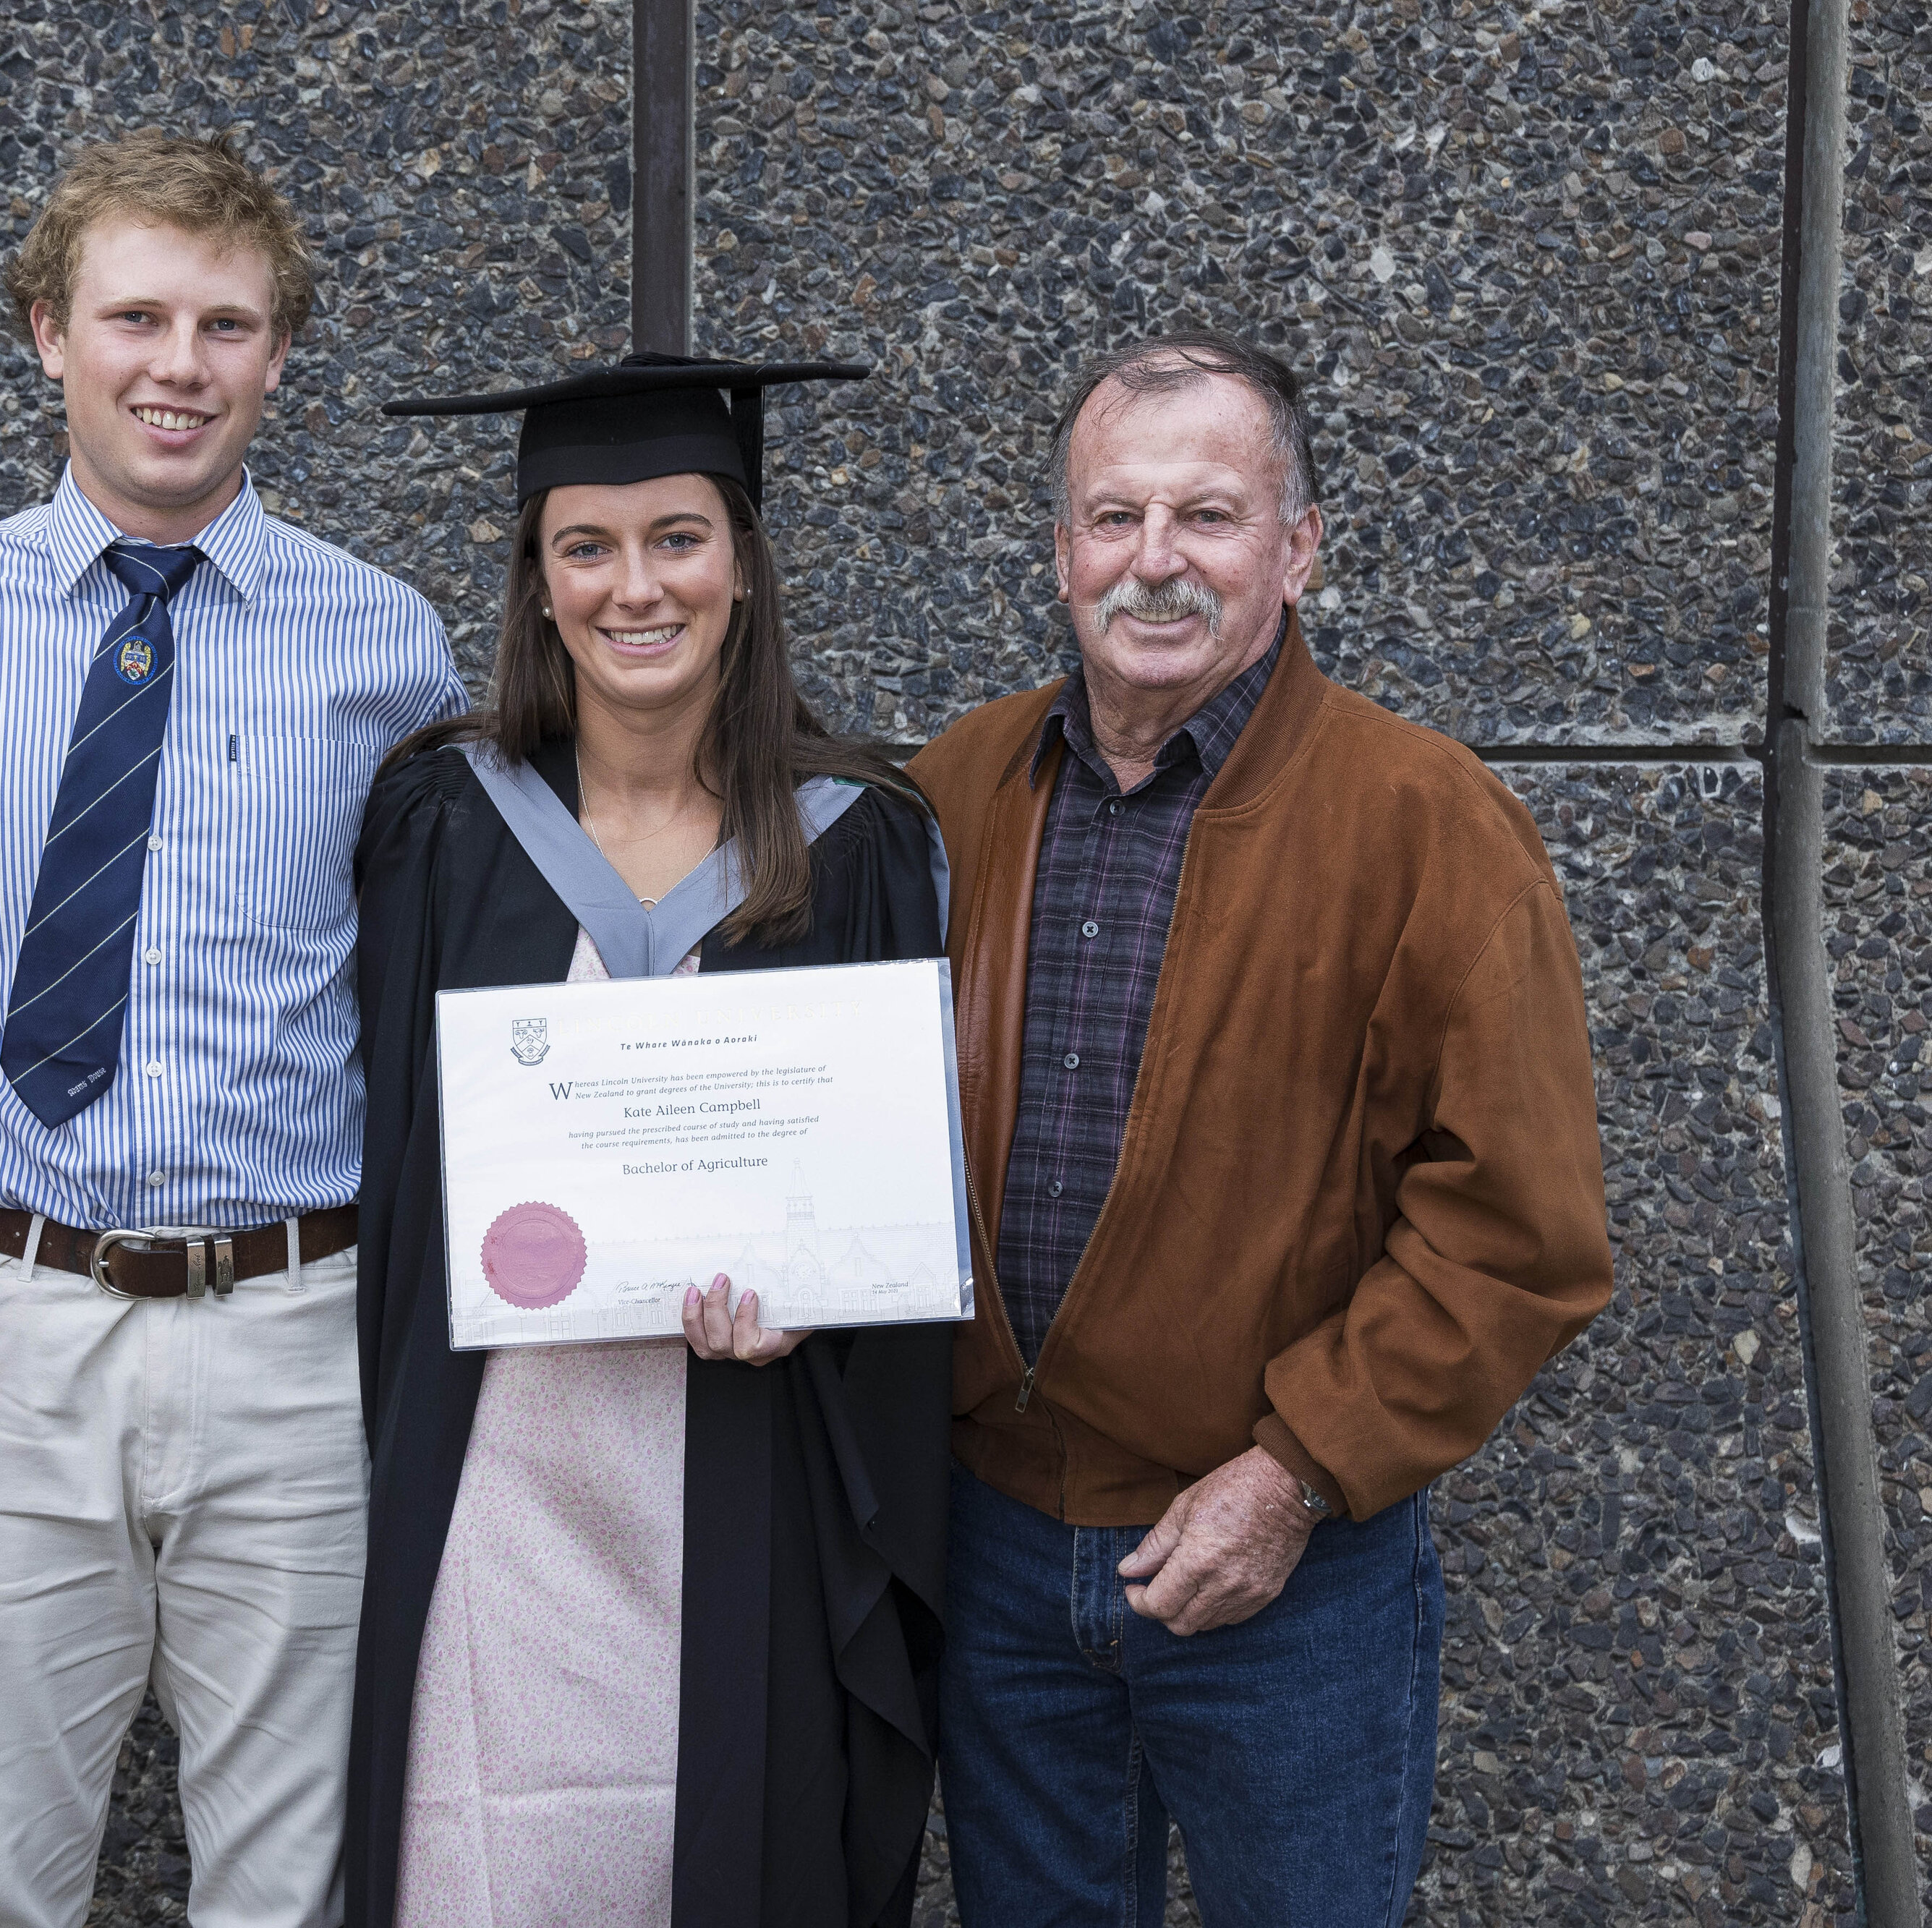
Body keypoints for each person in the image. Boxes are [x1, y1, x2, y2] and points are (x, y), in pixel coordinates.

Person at [0, 131, 462, 1928]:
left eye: (226, 325)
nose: (178, 364)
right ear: (48, 333)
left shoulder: (383, 644)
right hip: (5, 1321)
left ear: (273, 357)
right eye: (136, 316)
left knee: (295, 1888)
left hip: (297, 1330)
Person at [907, 328, 1614, 1926]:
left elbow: (1518, 1230)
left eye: (1207, 516)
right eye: (1111, 517)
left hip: (1285, 1569)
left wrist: (1293, 1472)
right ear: (1058, 550)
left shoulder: (1422, 819)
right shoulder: (956, 789)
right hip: (999, 1549)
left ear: (1295, 549)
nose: (1152, 562)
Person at [346, 354, 952, 1928]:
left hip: (742, 1470)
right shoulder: (442, 825)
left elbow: (894, 1198)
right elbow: (400, 1192)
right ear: (537, 584)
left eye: (677, 537)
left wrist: (827, 1291)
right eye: (585, 546)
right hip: (499, 1476)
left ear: (741, 566)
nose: (636, 587)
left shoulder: (858, 842)